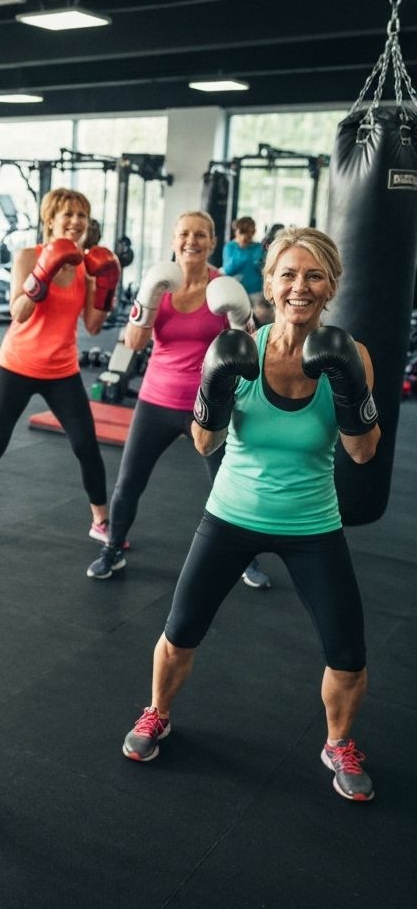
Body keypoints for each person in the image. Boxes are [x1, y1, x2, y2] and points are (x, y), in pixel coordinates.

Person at [122, 226, 380, 802]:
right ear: (269, 282)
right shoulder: (240, 348)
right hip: (231, 513)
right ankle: (157, 711)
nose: (300, 287)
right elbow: (204, 445)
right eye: (287, 274)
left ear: (331, 285)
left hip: (313, 521)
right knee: (180, 631)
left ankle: (338, 741)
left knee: (349, 651)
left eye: (314, 275)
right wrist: (212, 386)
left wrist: (348, 385)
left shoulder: (351, 353)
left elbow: (363, 452)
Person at [87, 211, 271, 590]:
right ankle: (113, 549)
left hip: (209, 404)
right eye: (185, 233)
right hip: (156, 400)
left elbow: (248, 353)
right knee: (129, 482)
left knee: (227, 483)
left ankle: (245, 558)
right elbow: (134, 344)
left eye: (201, 234)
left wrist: (241, 317)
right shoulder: (160, 284)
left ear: (213, 241)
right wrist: (148, 297)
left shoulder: (225, 287)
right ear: (174, 241)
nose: (192, 240)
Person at [0, 188, 121, 545]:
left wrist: (106, 287)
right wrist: (46, 270)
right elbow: (18, 313)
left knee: (86, 445)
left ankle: (101, 521)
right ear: (50, 220)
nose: (74, 222)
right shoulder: (29, 256)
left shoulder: (87, 266)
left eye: (81, 216)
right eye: (67, 214)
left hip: (62, 370)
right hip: (17, 365)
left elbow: (94, 326)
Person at [222, 215, 270, 324]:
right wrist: (241, 249)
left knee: (257, 321)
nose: (246, 236)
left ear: (253, 232)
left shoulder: (258, 247)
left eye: (249, 232)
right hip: (236, 291)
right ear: (237, 232)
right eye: (243, 232)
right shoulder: (230, 247)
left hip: (256, 291)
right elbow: (228, 270)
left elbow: (263, 269)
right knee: (237, 321)